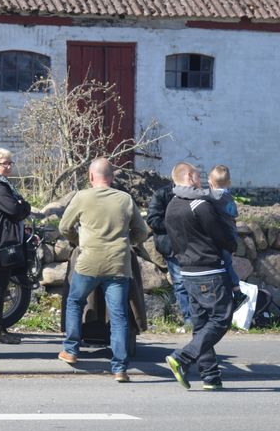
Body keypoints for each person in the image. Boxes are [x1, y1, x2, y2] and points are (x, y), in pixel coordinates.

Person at [57, 158, 149, 382]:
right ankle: (119, 368)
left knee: (75, 302)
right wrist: (128, 241)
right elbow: (142, 232)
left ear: (90, 176)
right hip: (118, 264)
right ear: (112, 177)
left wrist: (78, 240)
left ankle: (71, 350)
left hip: (88, 262)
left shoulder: (82, 197)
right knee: (118, 316)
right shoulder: (125, 199)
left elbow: (64, 227)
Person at [164, 162, 237, 391]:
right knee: (221, 319)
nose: (200, 178)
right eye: (197, 174)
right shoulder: (199, 204)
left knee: (201, 323)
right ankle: (183, 357)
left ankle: (210, 376)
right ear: (188, 176)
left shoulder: (172, 205)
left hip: (187, 271)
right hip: (208, 269)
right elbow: (220, 235)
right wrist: (231, 244)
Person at [0, 147, 32, 344]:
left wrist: (22, 206)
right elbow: (14, 209)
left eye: (11, 163)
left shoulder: (3, 185)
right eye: (5, 163)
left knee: (2, 285)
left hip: (7, 240)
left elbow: (19, 208)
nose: (9, 167)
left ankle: (0, 329)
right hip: (1, 242)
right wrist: (24, 205)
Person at [146, 180, 191, 327]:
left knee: (196, 283)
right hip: (171, 246)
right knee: (180, 283)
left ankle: (201, 319)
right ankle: (189, 319)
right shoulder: (162, 194)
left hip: (193, 246)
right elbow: (153, 220)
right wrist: (176, 225)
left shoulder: (195, 195)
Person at [207, 164, 242, 301]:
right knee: (227, 263)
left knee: (225, 264)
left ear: (210, 182)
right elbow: (234, 215)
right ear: (229, 183)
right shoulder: (228, 196)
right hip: (231, 234)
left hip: (224, 236)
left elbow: (201, 195)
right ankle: (235, 290)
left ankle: (237, 291)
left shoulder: (215, 195)